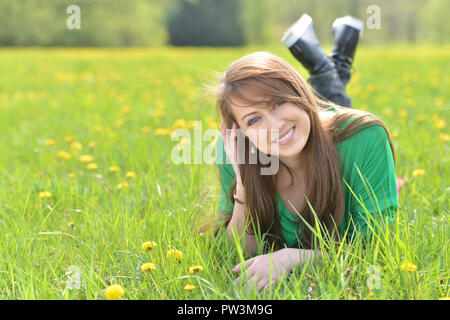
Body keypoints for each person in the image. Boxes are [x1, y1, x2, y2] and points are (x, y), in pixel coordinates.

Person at [210, 14, 399, 292]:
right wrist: (244, 185)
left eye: (277, 103)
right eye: (253, 120)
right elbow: (236, 253)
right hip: (313, 126)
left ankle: (324, 69)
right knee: (305, 125)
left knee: (324, 128)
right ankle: (332, 68)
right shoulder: (235, 149)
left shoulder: (364, 138)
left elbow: (376, 252)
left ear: (299, 90)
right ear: (240, 130)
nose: (274, 126)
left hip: (333, 134)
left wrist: (293, 257)